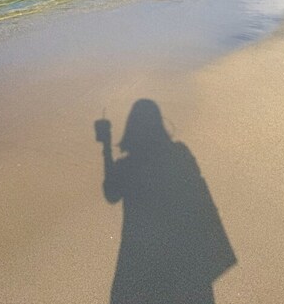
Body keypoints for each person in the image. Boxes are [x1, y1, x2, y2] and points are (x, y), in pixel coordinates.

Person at [95, 99, 235, 304]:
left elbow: (111, 193)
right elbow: (200, 198)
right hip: (184, 254)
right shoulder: (180, 155)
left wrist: (106, 145)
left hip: (141, 257)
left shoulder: (130, 166)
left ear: (131, 130)